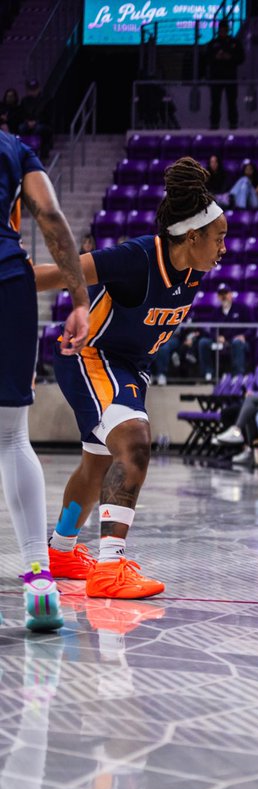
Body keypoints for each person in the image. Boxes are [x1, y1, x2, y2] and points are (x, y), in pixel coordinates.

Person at [35, 157, 226, 600]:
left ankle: (63, 551)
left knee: (98, 461)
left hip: (127, 367)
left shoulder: (194, 269)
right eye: (219, 238)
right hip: (92, 356)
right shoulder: (138, 257)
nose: (224, 248)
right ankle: (109, 566)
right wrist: (11, 277)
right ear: (192, 236)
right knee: (136, 442)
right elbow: (65, 272)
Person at [0, 129, 90, 631]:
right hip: (7, 282)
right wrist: (79, 300)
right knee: (12, 435)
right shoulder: (13, 147)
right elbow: (51, 218)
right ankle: (39, 581)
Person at [196, 282, 248, 377]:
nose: (224, 296)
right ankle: (208, 373)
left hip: (237, 341)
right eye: (221, 294)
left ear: (231, 294)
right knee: (203, 342)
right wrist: (217, 337)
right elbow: (212, 330)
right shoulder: (216, 312)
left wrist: (244, 336)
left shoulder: (242, 308)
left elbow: (252, 327)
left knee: (236, 343)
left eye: (226, 293)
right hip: (221, 341)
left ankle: (238, 375)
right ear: (218, 297)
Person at [205, 20, 244, 130]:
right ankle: (214, 124)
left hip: (230, 77)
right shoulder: (213, 43)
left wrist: (230, 57)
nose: (223, 31)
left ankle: (233, 124)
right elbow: (207, 58)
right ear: (219, 30)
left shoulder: (235, 43)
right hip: (216, 77)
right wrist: (216, 58)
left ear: (228, 30)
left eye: (225, 29)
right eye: (221, 29)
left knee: (232, 102)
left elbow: (241, 58)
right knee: (215, 102)